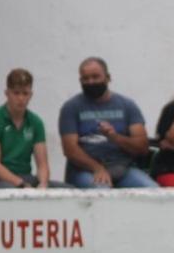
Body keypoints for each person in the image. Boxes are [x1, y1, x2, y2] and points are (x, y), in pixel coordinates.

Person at [59, 57, 158, 188]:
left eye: (95, 77)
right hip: (85, 171)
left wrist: (114, 137)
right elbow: (70, 150)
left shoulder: (127, 105)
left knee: (153, 191)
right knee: (102, 194)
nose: (91, 82)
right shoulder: (71, 107)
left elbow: (142, 147)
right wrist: (97, 168)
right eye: (85, 78)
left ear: (108, 77)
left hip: (123, 169)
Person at [0, 68, 67, 189]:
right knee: (13, 193)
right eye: (16, 93)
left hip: (25, 177)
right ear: (7, 93)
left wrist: (43, 184)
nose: (21, 98)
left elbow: (42, 165)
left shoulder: (35, 122)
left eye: (25, 93)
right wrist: (20, 184)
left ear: (31, 94)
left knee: (67, 190)